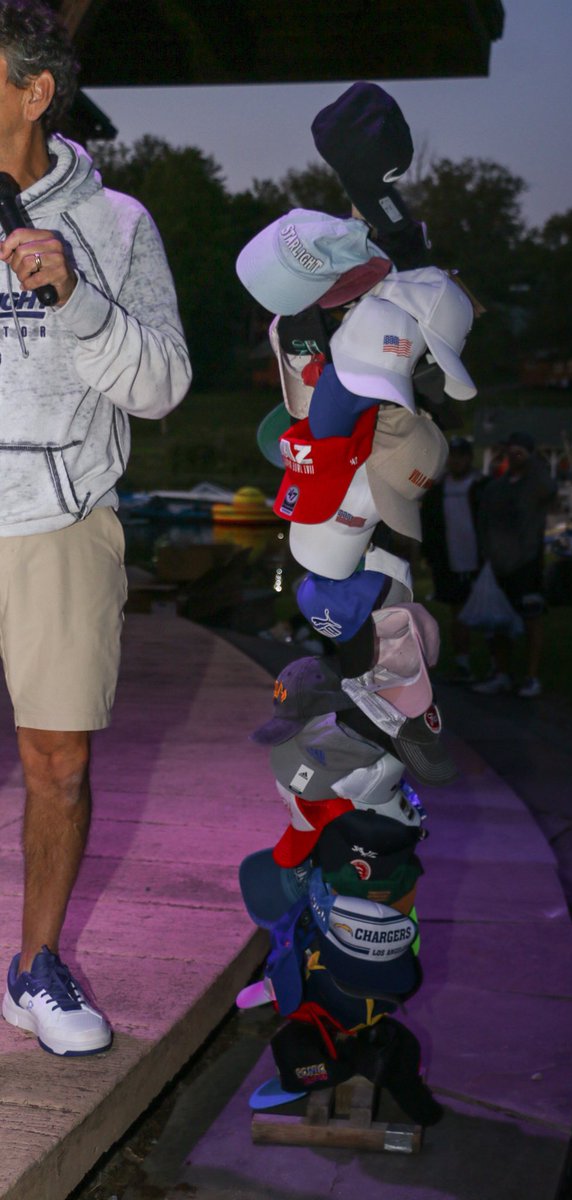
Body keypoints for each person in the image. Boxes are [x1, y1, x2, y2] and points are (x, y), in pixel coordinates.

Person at [0, 1, 191, 1056]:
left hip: (58, 521)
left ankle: (35, 966)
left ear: (34, 93)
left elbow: (162, 385)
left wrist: (72, 294)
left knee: (57, 764)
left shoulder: (115, 224)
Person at [473, 431, 557, 698]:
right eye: (511, 450)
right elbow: (483, 522)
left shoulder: (535, 484)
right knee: (498, 622)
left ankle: (531, 677)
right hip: (498, 566)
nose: (514, 454)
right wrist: (486, 554)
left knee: (532, 619)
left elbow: (550, 489)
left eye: (520, 450)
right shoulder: (496, 488)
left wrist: (533, 462)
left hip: (527, 563)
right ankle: (501, 673)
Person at [420, 435, 485, 682]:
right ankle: (463, 662)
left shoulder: (480, 487)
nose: (455, 462)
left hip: (479, 560)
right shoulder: (437, 492)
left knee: (482, 608)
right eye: (452, 457)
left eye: (460, 456)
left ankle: (494, 664)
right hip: (450, 560)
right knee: (457, 612)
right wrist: (430, 555)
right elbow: (429, 526)